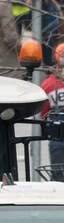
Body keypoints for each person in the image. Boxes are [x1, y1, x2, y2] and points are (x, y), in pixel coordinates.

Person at [40, 44, 64, 178]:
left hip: (57, 142)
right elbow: (43, 114)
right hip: (58, 142)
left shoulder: (48, 84)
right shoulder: (48, 85)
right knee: (59, 177)